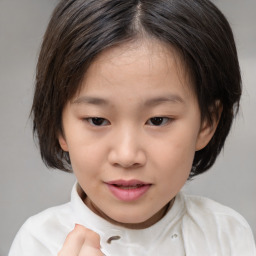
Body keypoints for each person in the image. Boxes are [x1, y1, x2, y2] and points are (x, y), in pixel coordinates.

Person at [9, 0, 256, 255]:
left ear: (207, 122)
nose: (127, 156)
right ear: (60, 126)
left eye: (158, 120)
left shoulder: (227, 235)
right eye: (97, 120)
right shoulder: (37, 243)